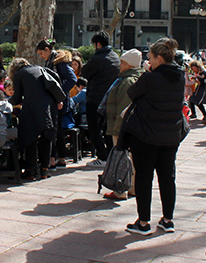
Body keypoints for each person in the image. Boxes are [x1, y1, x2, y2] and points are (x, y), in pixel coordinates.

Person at [120, 38, 186, 236]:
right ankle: (168, 219)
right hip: (171, 135)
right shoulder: (180, 76)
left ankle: (143, 222)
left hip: (146, 135)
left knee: (144, 178)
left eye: (150, 58)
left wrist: (148, 73)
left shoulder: (150, 78)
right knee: (167, 177)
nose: (148, 61)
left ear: (158, 58)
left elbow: (132, 93)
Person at [8, 57, 60, 180]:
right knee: (46, 137)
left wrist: (5, 103)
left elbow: (17, 97)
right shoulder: (40, 69)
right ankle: (44, 170)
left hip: (32, 107)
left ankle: (30, 171)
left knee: (29, 136)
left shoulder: (19, 75)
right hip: (49, 106)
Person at [103, 48, 144, 200]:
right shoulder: (136, 78)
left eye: (122, 62)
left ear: (129, 64)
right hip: (131, 127)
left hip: (121, 126)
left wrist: (119, 129)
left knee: (121, 158)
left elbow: (124, 109)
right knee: (131, 159)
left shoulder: (127, 81)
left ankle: (120, 190)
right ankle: (132, 187)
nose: (120, 65)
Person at [81, 31, 120, 165]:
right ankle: (109, 155)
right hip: (111, 99)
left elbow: (84, 72)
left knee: (94, 128)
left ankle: (102, 157)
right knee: (107, 129)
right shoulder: (115, 56)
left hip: (96, 98)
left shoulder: (98, 59)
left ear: (98, 44)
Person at [36, 39, 77, 166]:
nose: (41, 57)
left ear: (47, 50)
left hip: (59, 100)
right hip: (55, 99)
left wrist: (59, 92)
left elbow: (72, 79)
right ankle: (58, 157)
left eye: (42, 54)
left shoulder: (59, 63)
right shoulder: (52, 61)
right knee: (56, 128)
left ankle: (57, 157)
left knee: (56, 129)